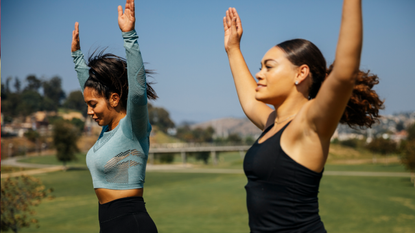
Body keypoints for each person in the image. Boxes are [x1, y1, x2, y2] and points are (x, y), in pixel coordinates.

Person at [223, 0, 383, 232]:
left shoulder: (310, 123)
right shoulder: (273, 123)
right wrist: (233, 49)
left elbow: (344, 74)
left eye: (269, 67)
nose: (259, 74)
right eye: (260, 67)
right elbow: (249, 101)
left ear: (301, 73)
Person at [71, 0, 158, 232]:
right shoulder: (106, 130)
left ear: (115, 99)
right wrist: (77, 58)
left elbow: (138, 93)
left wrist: (129, 36)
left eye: (92, 105)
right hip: (109, 224)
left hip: (132, 224)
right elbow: (92, 90)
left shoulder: (132, 128)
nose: (89, 112)